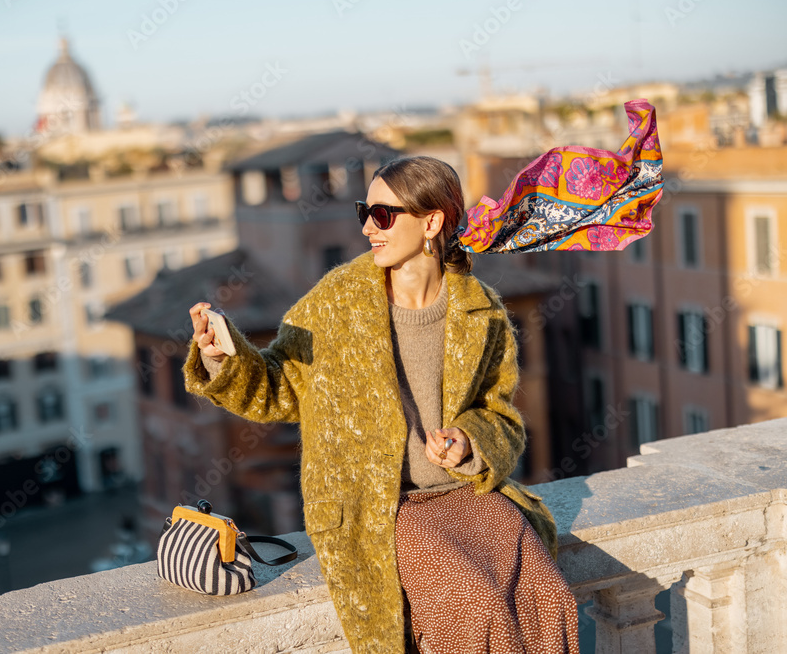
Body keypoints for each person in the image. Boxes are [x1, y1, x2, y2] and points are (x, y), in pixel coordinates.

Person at [184, 156, 580, 653]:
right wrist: (224, 357)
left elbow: (500, 415)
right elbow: (280, 388)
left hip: (465, 494)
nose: (369, 226)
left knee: (550, 598)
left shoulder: (482, 311)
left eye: (385, 215)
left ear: (432, 222)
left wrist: (469, 442)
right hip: (381, 507)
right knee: (475, 611)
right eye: (364, 212)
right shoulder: (337, 300)